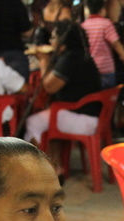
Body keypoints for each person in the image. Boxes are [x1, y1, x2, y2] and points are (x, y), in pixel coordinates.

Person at [24, 19, 102, 165]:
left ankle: (36, 167)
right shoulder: (82, 55)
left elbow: (49, 87)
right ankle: (56, 165)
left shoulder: (69, 59)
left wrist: (43, 61)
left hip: (81, 118)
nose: (51, 41)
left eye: (53, 37)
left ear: (63, 41)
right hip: (89, 115)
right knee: (47, 115)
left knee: (32, 122)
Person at [82, 0, 124, 88]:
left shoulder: (83, 25)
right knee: (108, 96)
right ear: (102, 10)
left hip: (90, 69)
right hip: (106, 69)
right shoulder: (106, 24)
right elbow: (116, 45)